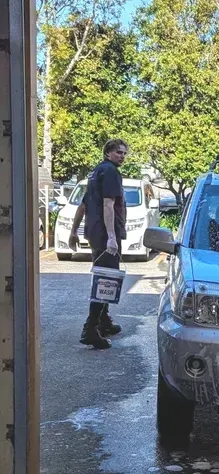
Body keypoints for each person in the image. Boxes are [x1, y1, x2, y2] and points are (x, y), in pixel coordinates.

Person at [69, 139, 129, 349]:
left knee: (104, 277)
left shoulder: (96, 172)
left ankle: (103, 321)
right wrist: (112, 236)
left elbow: (83, 204)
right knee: (106, 281)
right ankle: (91, 328)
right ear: (108, 153)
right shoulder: (111, 172)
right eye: (118, 152)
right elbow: (108, 205)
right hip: (105, 236)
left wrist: (73, 231)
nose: (122, 156)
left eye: (124, 153)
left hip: (94, 234)